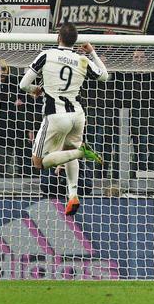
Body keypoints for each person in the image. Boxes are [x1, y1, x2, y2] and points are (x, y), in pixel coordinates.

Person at [20, 23, 109, 216]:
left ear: (58, 37)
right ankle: (73, 195)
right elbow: (104, 76)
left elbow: (23, 84)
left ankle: (81, 152)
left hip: (56, 116)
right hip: (78, 115)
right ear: (75, 41)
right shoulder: (82, 59)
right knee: (68, 151)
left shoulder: (47, 55)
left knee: (38, 162)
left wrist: (35, 90)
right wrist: (92, 52)